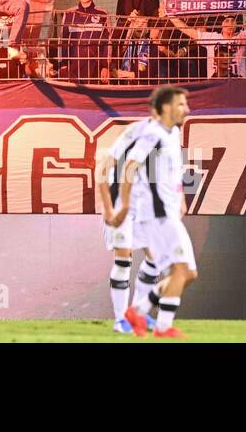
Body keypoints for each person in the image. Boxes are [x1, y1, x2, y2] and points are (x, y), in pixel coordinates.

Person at [109, 86, 196, 339]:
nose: (186, 109)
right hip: (155, 214)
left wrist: (180, 196)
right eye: (181, 104)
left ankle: (139, 313)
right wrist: (123, 205)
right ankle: (156, 324)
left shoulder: (174, 133)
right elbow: (129, 166)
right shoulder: (151, 133)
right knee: (181, 270)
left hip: (166, 211)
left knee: (185, 272)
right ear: (167, 107)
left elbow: (174, 170)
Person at [96, 117, 159, 334]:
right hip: (119, 208)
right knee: (124, 261)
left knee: (155, 258)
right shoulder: (120, 152)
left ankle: (138, 314)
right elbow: (102, 174)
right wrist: (107, 208)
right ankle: (120, 319)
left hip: (142, 212)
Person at [54, 0, 111, 81]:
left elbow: (108, 42)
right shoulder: (69, 13)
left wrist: (105, 66)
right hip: (73, 67)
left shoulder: (103, 14)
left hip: (95, 67)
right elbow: (62, 41)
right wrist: (62, 64)